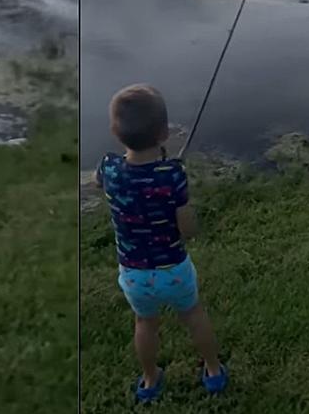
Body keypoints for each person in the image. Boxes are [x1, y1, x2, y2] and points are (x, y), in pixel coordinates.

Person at [94, 84, 226, 403]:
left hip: (135, 275)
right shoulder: (173, 175)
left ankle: (150, 379)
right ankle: (212, 370)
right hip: (173, 269)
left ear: (115, 132)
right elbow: (187, 229)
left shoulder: (109, 167)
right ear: (164, 133)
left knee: (145, 324)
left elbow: (101, 182)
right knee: (194, 315)